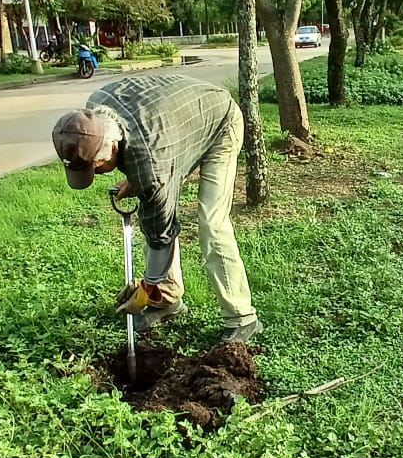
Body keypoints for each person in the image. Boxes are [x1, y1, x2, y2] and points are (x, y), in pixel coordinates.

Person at [52, 74, 263, 343]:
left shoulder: (151, 163)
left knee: (212, 224)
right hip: (174, 128)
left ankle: (242, 318)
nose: (99, 173)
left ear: (112, 147)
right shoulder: (93, 113)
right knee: (152, 210)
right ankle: (167, 301)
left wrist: (146, 288)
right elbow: (145, 157)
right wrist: (138, 179)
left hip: (219, 121)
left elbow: (162, 231)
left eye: (97, 168)